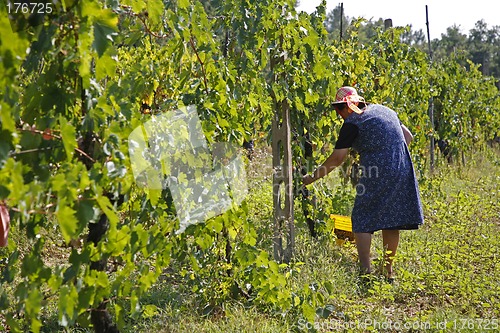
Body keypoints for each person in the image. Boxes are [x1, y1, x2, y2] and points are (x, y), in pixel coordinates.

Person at [303, 86, 424, 281]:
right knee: (392, 221)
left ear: (346, 107)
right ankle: (388, 272)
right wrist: (389, 153)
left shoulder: (352, 122)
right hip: (402, 167)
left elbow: (336, 159)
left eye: (339, 110)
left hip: (377, 172)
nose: (339, 115)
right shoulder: (385, 110)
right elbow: (407, 136)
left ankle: (365, 272)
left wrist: (310, 178)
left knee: (361, 219)